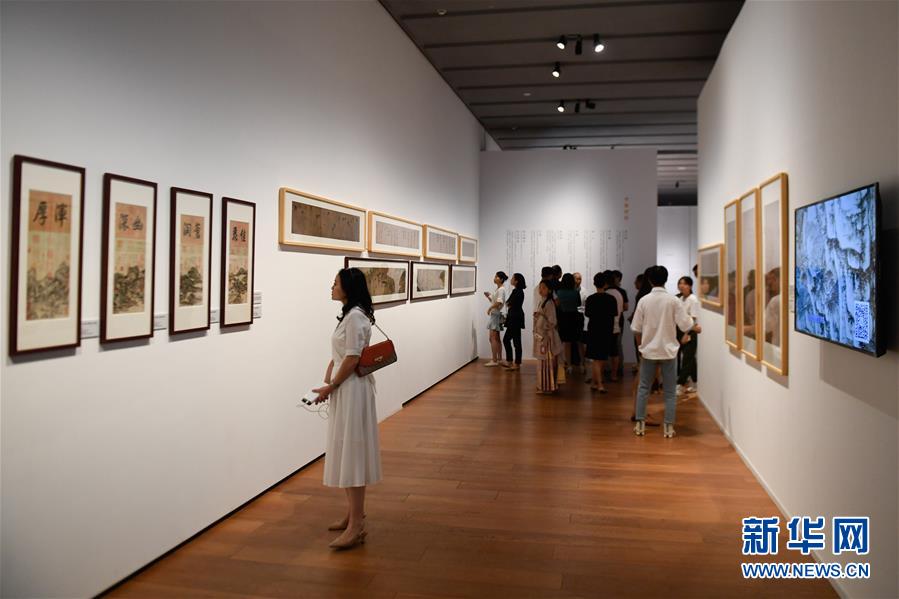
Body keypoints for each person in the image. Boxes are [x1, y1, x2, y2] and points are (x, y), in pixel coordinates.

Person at [312, 268, 382, 549]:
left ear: (348, 288)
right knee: (346, 450)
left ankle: (356, 525)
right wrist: (329, 378)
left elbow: (352, 358)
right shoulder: (350, 315)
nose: (332, 287)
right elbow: (341, 355)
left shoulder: (354, 317)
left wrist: (331, 386)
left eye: (335, 283)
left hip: (352, 390)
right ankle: (354, 515)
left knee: (352, 453)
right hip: (346, 388)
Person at [631, 266, 694, 438]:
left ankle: (640, 424)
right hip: (668, 351)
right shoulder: (673, 301)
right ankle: (668, 427)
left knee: (644, 388)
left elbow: (636, 328)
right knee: (669, 391)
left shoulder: (644, 300)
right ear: (666, 279)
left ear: (650, 280)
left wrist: (640, 348)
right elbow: (686, 324)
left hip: (648, 351)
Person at [584, 272, 618, 394]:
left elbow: (587, 314)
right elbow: (614, 314)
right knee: (601, 358)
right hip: (606, 330)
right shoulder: (611, 299)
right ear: (605, 284)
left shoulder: (590, 299)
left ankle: (595, 383)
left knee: (596, 358)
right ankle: (600, 385)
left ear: (594, 284)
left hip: (594, 330)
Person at [534, 279, 562, 394]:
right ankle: (544, 385)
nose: (541, 290)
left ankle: (547, 386)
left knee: (546, 362)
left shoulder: (549, 303)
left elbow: (552, 322)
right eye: (540, 287)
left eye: (544, 288)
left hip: (546, 337)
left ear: (550, 290)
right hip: (542, 336)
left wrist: (541, 317)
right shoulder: (543, 301)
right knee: (543, 362)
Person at [676, 276, 702, 395]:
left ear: (690, 286)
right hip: (681, 331)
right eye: (680, 283)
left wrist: (686, 334)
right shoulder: (680, 298)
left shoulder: (693, 299)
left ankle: (680, 384)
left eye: (685, 284)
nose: (681, 286)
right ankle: (696, 383)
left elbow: (693, 319)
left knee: (686, 359)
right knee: (690, 359)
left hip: (690, 332)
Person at [555, 273, 581, 372]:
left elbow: (557, 305)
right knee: (573, 342)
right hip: (574, 317)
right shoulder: (575, 292)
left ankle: (563, 364)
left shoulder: (559, 292)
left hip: (563, 317)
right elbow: (578, 304)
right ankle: (576, 364)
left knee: (562, 341)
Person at [483, 271, 509, 367]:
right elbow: (496, 301)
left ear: (501, 279)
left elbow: (499, 302)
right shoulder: (499, 289)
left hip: (495, 315)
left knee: (492, 338)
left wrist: (490, 308)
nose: (494, 278)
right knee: (496, 338)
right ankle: (499, 359)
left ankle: (495, 360)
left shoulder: (501, 289)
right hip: (495, 314)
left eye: (496, 276)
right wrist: (489, 296)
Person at [503, 273, 526, 371]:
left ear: (516, 281)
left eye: (512, 278)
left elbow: (509, 303)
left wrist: (509, 304)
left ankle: (513, 362)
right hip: (515, 317)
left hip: (515, 318)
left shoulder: (517, 291)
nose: (511, 279)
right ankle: (514, 363)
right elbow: (508, 303)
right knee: (515, 341)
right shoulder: (517, 291)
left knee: (509, 340)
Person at [604, 271, 624, 382]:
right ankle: (614, 374)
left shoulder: (606, 294)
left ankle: (605, 373)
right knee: (615, 351)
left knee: (604, 353)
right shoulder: (619, 293)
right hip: (616, 326)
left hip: (606, 327)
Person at [610, 270, 629, 377]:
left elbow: (626, 307)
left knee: (617, 345)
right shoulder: (621, 292)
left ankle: (617, 368)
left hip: (618, 321)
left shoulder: (621, 291)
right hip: (618, 320)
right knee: (616, 345)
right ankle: (616, 369)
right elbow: (625, 307)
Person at [573, 272, 589, 374]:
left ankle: (582, 362)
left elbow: (586, 305)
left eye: (580, 279)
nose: (579, 281)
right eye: (577, 278)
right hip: (571, 318)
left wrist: (579, 310)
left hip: (580, 318)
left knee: (580, 341)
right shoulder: (569, 290)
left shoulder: (584, 291)